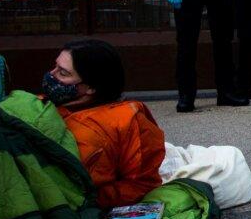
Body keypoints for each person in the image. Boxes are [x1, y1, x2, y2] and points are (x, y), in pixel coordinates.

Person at [41, 39, 165, 209]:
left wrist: (82, 199)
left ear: (91, 87)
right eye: (55, 67)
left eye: (63, 73)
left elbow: (141, 185)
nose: (51, 75)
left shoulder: (126, 120)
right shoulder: (41, 105)